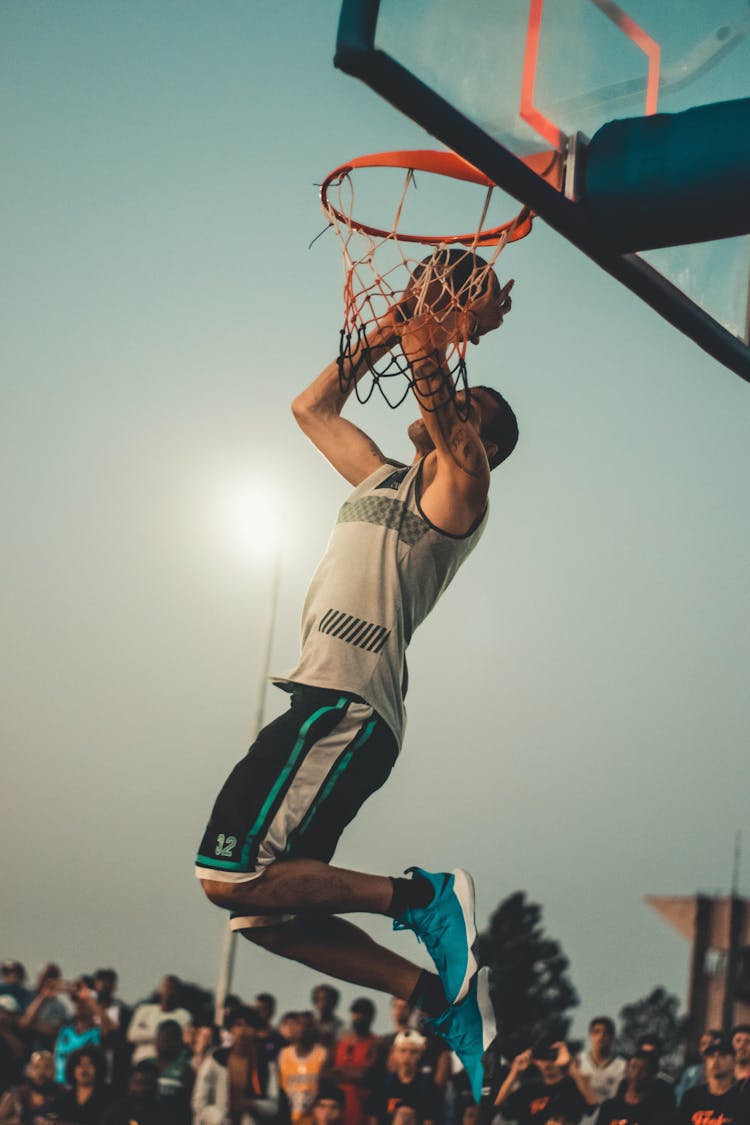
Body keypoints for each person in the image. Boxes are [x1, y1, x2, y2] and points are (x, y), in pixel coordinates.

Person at [196, 250, 517, 1102]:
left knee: (226, 873)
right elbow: (310, 407)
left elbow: (444, 410)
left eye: (468, 410)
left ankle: (423, 897)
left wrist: (435, 342)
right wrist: (394, 326)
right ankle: (431, 996)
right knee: (264, 917)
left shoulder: (463, 489)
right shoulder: (380, 474)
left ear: (483, 442)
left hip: (349, 703)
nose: (453, 410)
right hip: (323, 698)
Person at [192, 1003, 279, 1125]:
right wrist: (219, 1119)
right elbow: (199, 1102)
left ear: (255, 1031)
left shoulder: (265, 1064)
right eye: (238, 1025)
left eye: (248, 1025)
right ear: (231, 1029)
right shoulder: (215, 1060)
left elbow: (273, 1106)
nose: (243, 1031)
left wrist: (253, 1104)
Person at [494, 1040, 596, 1124]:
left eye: (552, 1055)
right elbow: (495, 1109)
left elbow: (594, 1109)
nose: (547, 1062)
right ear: (534, 1060)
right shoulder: (529, 1090)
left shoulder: (574, 1086)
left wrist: (573, 1069)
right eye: (542, 1057)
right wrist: (514, 1073)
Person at [366, 1030, 440, 1125]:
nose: (407, 1056)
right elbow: (373, 1118)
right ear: (394, 1052)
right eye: (402, 1050)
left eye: (413, 1052)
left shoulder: (427, 1085)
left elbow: (429, 1120)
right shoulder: (383, 1083)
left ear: (420, 1055)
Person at [676, 1035, 750, 1124]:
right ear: (705, 1062)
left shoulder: (742, 1100)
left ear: (734, 1061)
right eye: (711, 1056)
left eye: (722, 1055)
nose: (716, 1060)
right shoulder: (692, 1097)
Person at [327, 999, 379, 1125]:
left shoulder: (376, 1043)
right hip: (337, 1109)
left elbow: (367, 1074)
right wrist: (354, 1072)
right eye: (356, 1012)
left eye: (363, 1012)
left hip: (363, 1108)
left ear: (371, 1016)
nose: (359, 1016)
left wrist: (340, 1071)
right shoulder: (340, 1043)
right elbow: (327, 1073)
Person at [126, 975, 192, 1064]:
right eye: (166, 987)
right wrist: (164, 1035)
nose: (169, 992)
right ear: (160, 990)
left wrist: (146, 1031)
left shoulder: (184, 1016)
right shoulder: (144, 1010)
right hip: (142, 1062)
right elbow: (132, 1035)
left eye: (172, 988)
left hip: (170, 1064)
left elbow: (184, 1040)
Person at [594, 1050, 674, 1125]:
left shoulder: (658, 1112)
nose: (636, 1073)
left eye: (643, 1069)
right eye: (633, 1067)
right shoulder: (609, 1107)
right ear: (626, 1071)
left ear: (653, 1075)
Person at [278, 1012, 329, 1125]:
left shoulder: (323, 1054)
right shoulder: (283, 1054)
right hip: (288, 1119)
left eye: (307, 1025)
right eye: (299, 1024)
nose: (302, 1028)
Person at [575, 1017, 625, 1123]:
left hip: (608, 1117)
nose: (601, 1036)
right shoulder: (579, 1061)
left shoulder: (622, 1066)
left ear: (612, 1037)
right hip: (580, 1117)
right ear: (590, 1035)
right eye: (597, 1032)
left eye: (606, 1033)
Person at [50, 1045, 112, 1124]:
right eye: (79, 1064)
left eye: (89, 1064)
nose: (84, 1069)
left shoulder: (108, 1097)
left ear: (98, 1068)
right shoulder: (63, 1098)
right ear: (73, 1069)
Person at [0, 1049, 61, 1124]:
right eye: (36, 1067)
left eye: (46, 1067)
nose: (41, 1072)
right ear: (29, 1069)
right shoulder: (17, 1094)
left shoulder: (60, 1094)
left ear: (53, 1070)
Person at [100, 1060, 162, 1125]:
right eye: (140, 1083)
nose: (144, 1088)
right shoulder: (115, 1111)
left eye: (149, 1083)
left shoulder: (163, 1113)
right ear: (129, 1084)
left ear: (156, 1085)